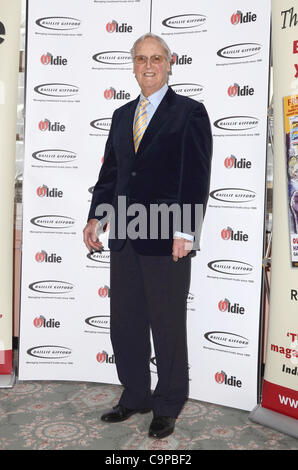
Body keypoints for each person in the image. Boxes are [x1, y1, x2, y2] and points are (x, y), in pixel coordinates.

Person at [83, 33, 212, 439]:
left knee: (167, 325)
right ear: (133, 65)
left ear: (170, 64)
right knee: (126, 322)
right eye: (141, 58)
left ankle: (168, 402)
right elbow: (111, 174)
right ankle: (136, 394)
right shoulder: (122, 115)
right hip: (124, 235)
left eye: (157, 58)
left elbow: (195, 176)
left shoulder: (190, 112)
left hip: (165, 236)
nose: (149, 65)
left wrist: (185, 230)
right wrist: (96, 218)